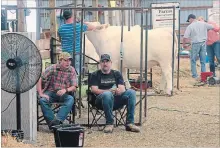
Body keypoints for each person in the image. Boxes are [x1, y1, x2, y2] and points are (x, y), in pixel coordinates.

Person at [89, 54, 140, 133]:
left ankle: (130, 123)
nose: (105, 63)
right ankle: (109, 123)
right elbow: (94, 90)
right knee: (107, 94)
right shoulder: (95, 74)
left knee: (131, 92)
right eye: (103, 61)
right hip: (100, 102)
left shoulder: (116, 73)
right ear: (100, 63)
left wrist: (119, 90)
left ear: (111, 63)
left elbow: (122, 88)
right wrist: (109, 91)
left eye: (107, 61)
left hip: (116, 100)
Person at [37, 52, 78, 129]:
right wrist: (40, 93)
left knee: (70, 99)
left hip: (64, 93)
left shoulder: (72, 70)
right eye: (66, 60)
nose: (68, 62)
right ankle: (53, 123)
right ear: (60, 60)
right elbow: (39, 78)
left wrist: (65, 90)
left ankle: (58, 121)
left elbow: (74, 86)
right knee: (42, 100)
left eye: (69, 60)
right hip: (51, 92)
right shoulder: (53, 68)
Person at [58, 10, 96, 74]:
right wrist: (83, 22)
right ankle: (76, 83)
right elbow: (93, 27)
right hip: (77, 52)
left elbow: (60, 40)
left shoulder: (60, 29)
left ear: (64, 18)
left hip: (65, 53)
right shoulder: (78, 26)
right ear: (72, 16)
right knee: (77, 71)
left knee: (66, 71)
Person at [183, 14, 214, 79]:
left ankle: (195, 76)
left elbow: (185, 37)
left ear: (190, 19)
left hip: (195, 44)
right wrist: (206, 30)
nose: (189, 22)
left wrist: (184, 45)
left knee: (193, 60)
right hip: (203, 43)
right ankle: (203, 76)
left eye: (189, 20)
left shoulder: (190, 26)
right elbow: (212, 27)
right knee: (203, 61)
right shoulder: (203, 24)